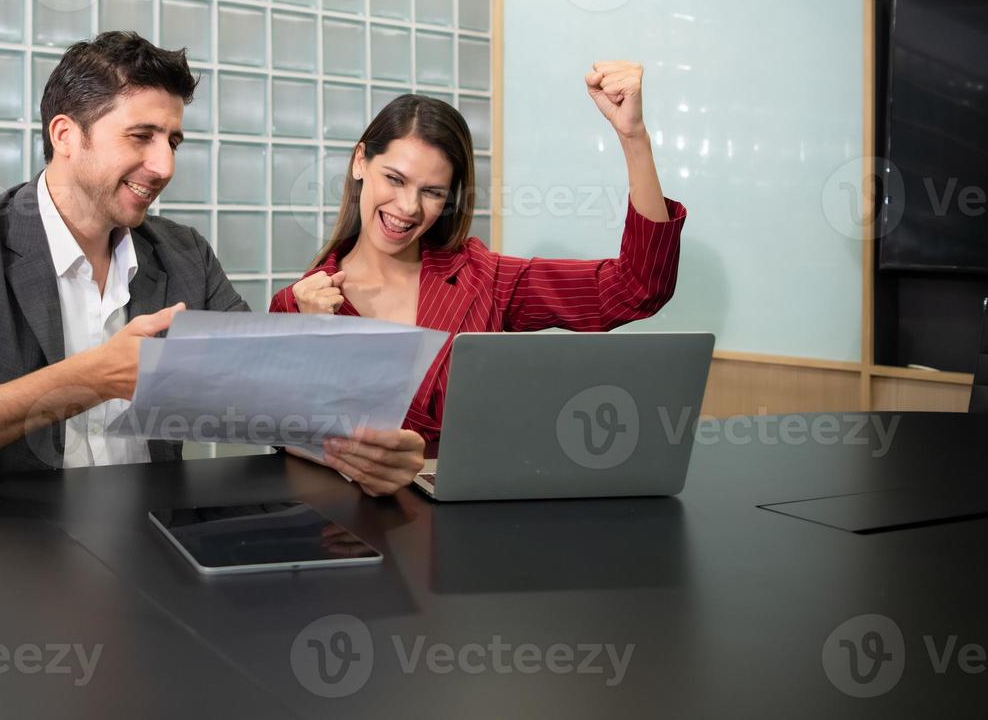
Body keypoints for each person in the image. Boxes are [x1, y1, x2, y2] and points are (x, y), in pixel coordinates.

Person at [0, 31, 424, 493]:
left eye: (172, 141)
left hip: (149, 551)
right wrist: (91, 378)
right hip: (8, 566)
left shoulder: (184, 255)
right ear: (66, 136)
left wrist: (350, 449)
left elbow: (262, 398)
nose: (164, 165)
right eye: (141, 136)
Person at [271, 62, 686, 458]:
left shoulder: (483, 277)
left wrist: (634, 138)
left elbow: (636, 287)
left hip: (470, 520)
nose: (408, 207)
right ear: (361, 161)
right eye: (394, 179)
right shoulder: (296, 305)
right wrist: (311, 335)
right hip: (349, 527)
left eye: (432, 192)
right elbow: (287, 444)